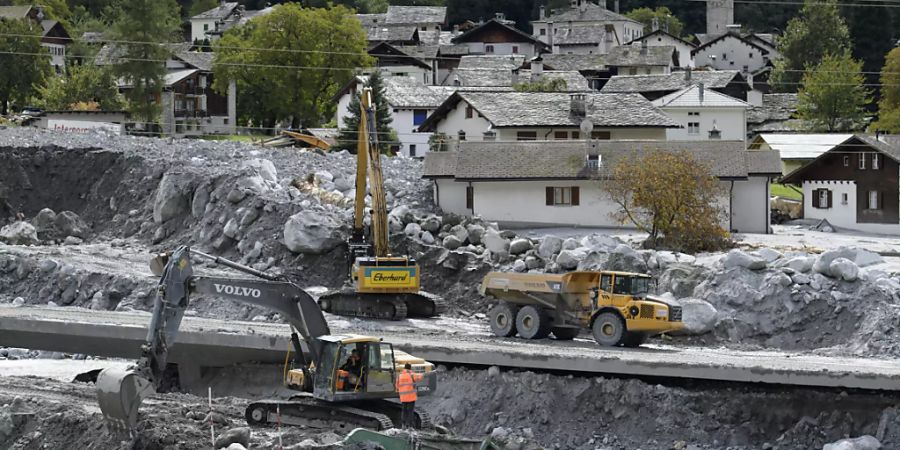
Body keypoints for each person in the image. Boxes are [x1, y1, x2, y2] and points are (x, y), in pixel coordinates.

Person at [395, 363, 424, 429]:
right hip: (411, 397)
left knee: (404, 411)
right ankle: (410, 426)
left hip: (403, 397)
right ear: (410, 368)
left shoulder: (400, 376)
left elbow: (397, 386)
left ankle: (403, 425)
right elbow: (419, 378)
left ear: (404, 368)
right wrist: (423, 374)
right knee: (410, 411)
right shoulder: (412, 375)